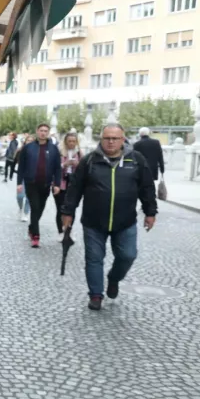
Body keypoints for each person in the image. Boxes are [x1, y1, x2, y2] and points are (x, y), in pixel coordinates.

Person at [62, 124, 157, 311]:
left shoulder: (136, 160)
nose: (111, 141)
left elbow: (147, 188)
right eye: (107, 138)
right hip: (93, 222)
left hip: (125, 221)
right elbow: (75, 190)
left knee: (128, 255)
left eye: (115, 138)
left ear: (123, 139)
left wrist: (150, 212)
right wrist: (68, 212)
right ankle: (96, 294)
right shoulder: (89, 161)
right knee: (94, 258)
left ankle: (113, 278)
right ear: (101, 139)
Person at [16, 123, 61, 248]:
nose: (43, 133)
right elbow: (21, 167)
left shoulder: (53, 149)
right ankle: (35, 236)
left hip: (45, 185)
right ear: (37, 131)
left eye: (46, 131)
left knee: (40, 209)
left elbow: (57, 168)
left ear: (48, 132)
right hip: (31, 183)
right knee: (35, 207)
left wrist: (57, 184)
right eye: (41, 130)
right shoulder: (28, 148)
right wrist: (19, 183)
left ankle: (31, 227)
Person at [54, 131, 82, 242]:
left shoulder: (79, 153)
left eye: (74, 141)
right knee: (60, 208)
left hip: (73, 184)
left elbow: (84, 169)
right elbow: (54, 168)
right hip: (60, 183)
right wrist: (64, 165)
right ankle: (61, 231)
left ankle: (69, 231)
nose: (71, 143)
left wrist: (78, 165)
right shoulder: (59, 152)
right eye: (69, 141)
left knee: (72, 209)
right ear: (65, 141)